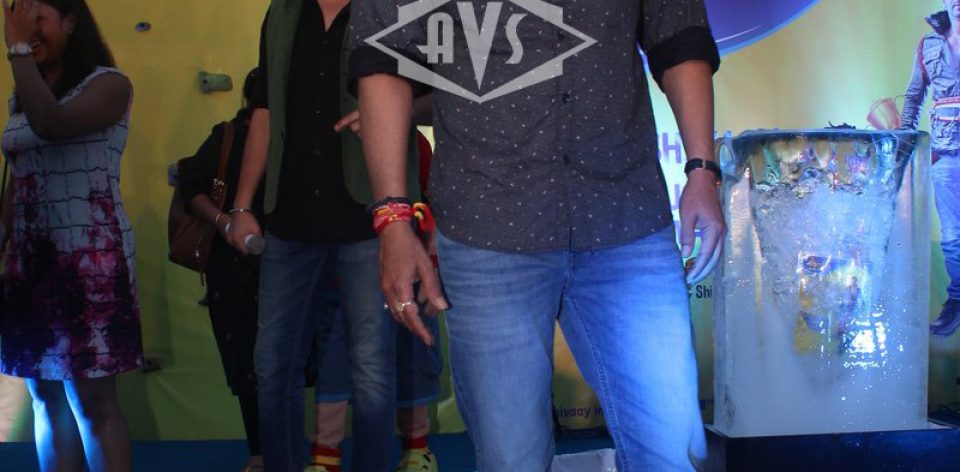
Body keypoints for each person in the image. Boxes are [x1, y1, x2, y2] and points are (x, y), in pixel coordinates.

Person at [351, 0, 723, 470]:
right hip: (487, 227)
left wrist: (702, 169)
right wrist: (392, 217)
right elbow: (385, 58)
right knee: (512, 460)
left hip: (625, 218)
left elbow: (679, 35)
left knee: (673, 454)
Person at [225, 1, 426, 470]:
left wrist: (389, 114)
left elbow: (437, 91)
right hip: (289, 218)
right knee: (273, 366)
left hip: (369, 217)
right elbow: (264, 109)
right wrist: (242, 206)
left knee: (372, 370)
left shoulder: (391, 8)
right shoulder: (282, 12)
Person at [0, 0, 138, 471]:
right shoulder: (24, 96)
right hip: (30, 264)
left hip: (90, 262)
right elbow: (21, 174)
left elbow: (52, 126)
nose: (28, 31)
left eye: (38, 19)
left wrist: (18, 51)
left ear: (71, 22)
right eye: (20, 23)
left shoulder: (109, 85)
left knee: (91, 400)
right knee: (44, 398)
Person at [308, 131, 441, 472]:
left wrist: (431, 260)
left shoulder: (412, 142)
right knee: (335, 362)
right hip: (343, 279)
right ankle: (325, 456)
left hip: (405, 276)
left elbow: (431, 204)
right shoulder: (328, 142)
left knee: (412, 356)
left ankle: (417, 449)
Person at [176, 68, 265, 472]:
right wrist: (226, 222)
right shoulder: (229, 134)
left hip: (268, 261)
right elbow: (190, 184)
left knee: (258, 360)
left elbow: (189, 183)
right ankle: (266, 451)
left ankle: (267, 452)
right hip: (235, 262)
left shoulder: (292, 137)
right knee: (249, 359)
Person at [901, 1, 960, 336]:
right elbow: (914, 96)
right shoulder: (928, 45)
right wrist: (903, 140)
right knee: (953, 236)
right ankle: (958, 300)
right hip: (946, 154)